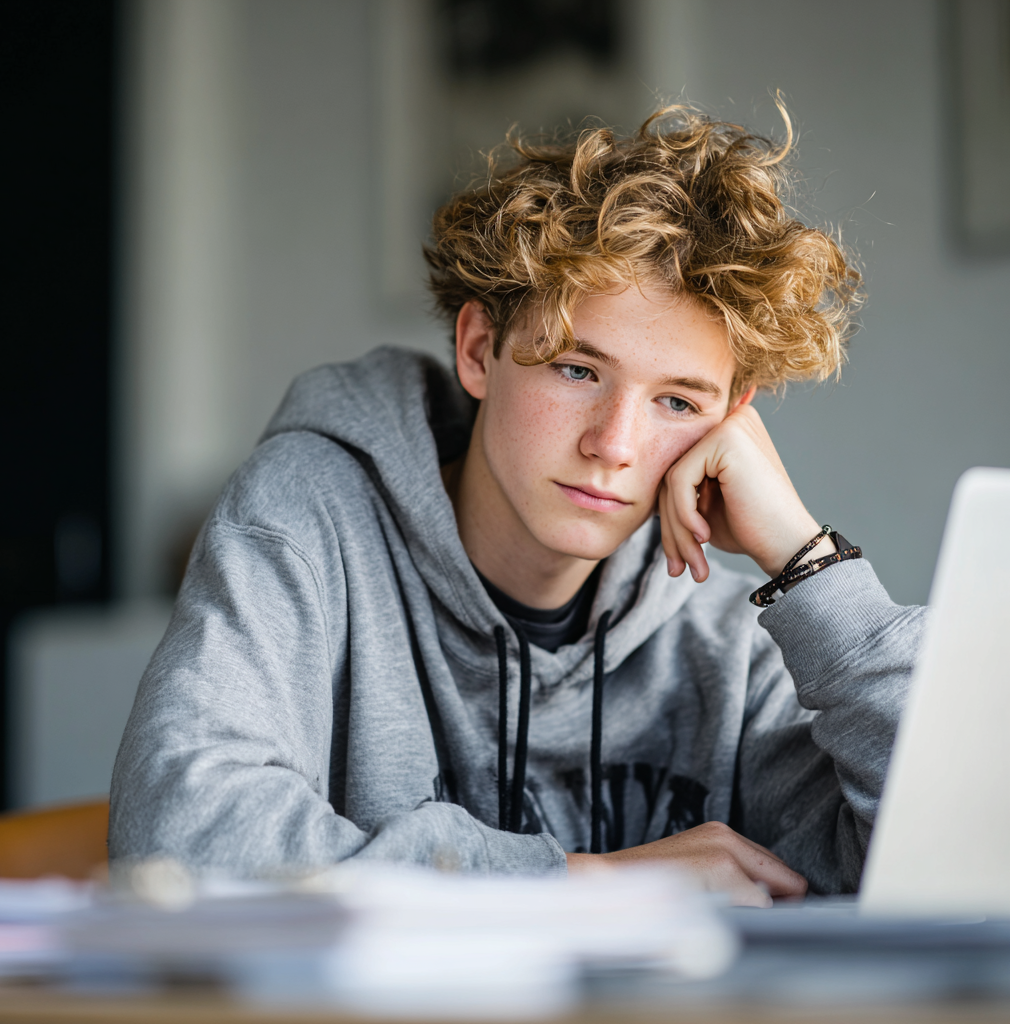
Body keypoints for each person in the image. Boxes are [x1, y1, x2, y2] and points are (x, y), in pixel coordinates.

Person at [109, 105, 925, 907]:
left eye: (678, 402)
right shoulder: (311, 516)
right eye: (577, 369)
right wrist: (586, 885)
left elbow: (954, 862)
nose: (615, 443)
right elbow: (179, 836)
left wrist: (806, 562)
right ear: (476, 350)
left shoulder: (723, 638)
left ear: (732, 417)